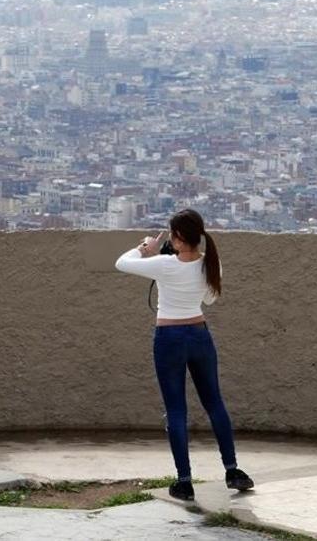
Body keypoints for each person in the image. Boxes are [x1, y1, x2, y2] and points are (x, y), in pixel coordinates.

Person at [115, 209, 254, 501]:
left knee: (176, 409)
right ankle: (233, 470)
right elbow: (209, 299)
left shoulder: (164, 264)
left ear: (177, 237)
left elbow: (122, 263)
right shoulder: (211, 263)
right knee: (214, 402)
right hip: (200, 334)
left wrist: (145, 248)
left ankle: (184, 481)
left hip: (169, 338)